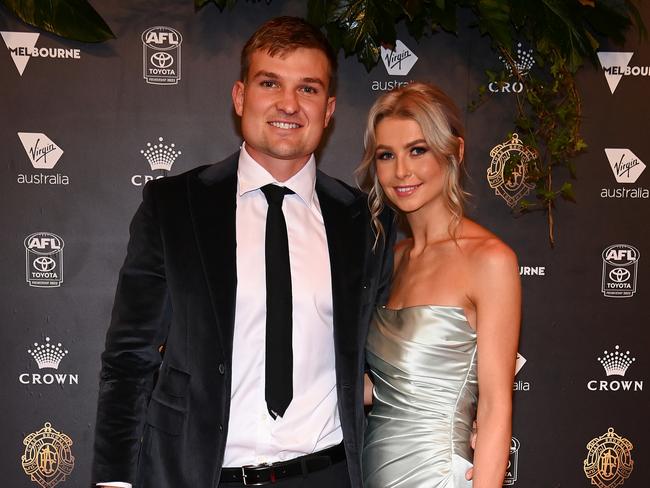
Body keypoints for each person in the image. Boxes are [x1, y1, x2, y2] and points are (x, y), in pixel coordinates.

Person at [91, 17, 395, 488]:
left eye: (308, 89)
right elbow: (130, 359)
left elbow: (394, 351)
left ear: (329, 108)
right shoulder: (175, 206)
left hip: (326, 474)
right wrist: (113, 482)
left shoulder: (365, 221)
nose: (288, 104)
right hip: (199, 475)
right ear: (240, 97)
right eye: (269, 83)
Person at [357, 82, 521, 487]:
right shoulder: (390, 261)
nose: (401, 171)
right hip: (371, 472)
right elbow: (378, 388)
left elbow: (497, 406)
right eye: (386, 155)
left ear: (454, 152)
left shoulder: (490, 260)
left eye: (418, 150)